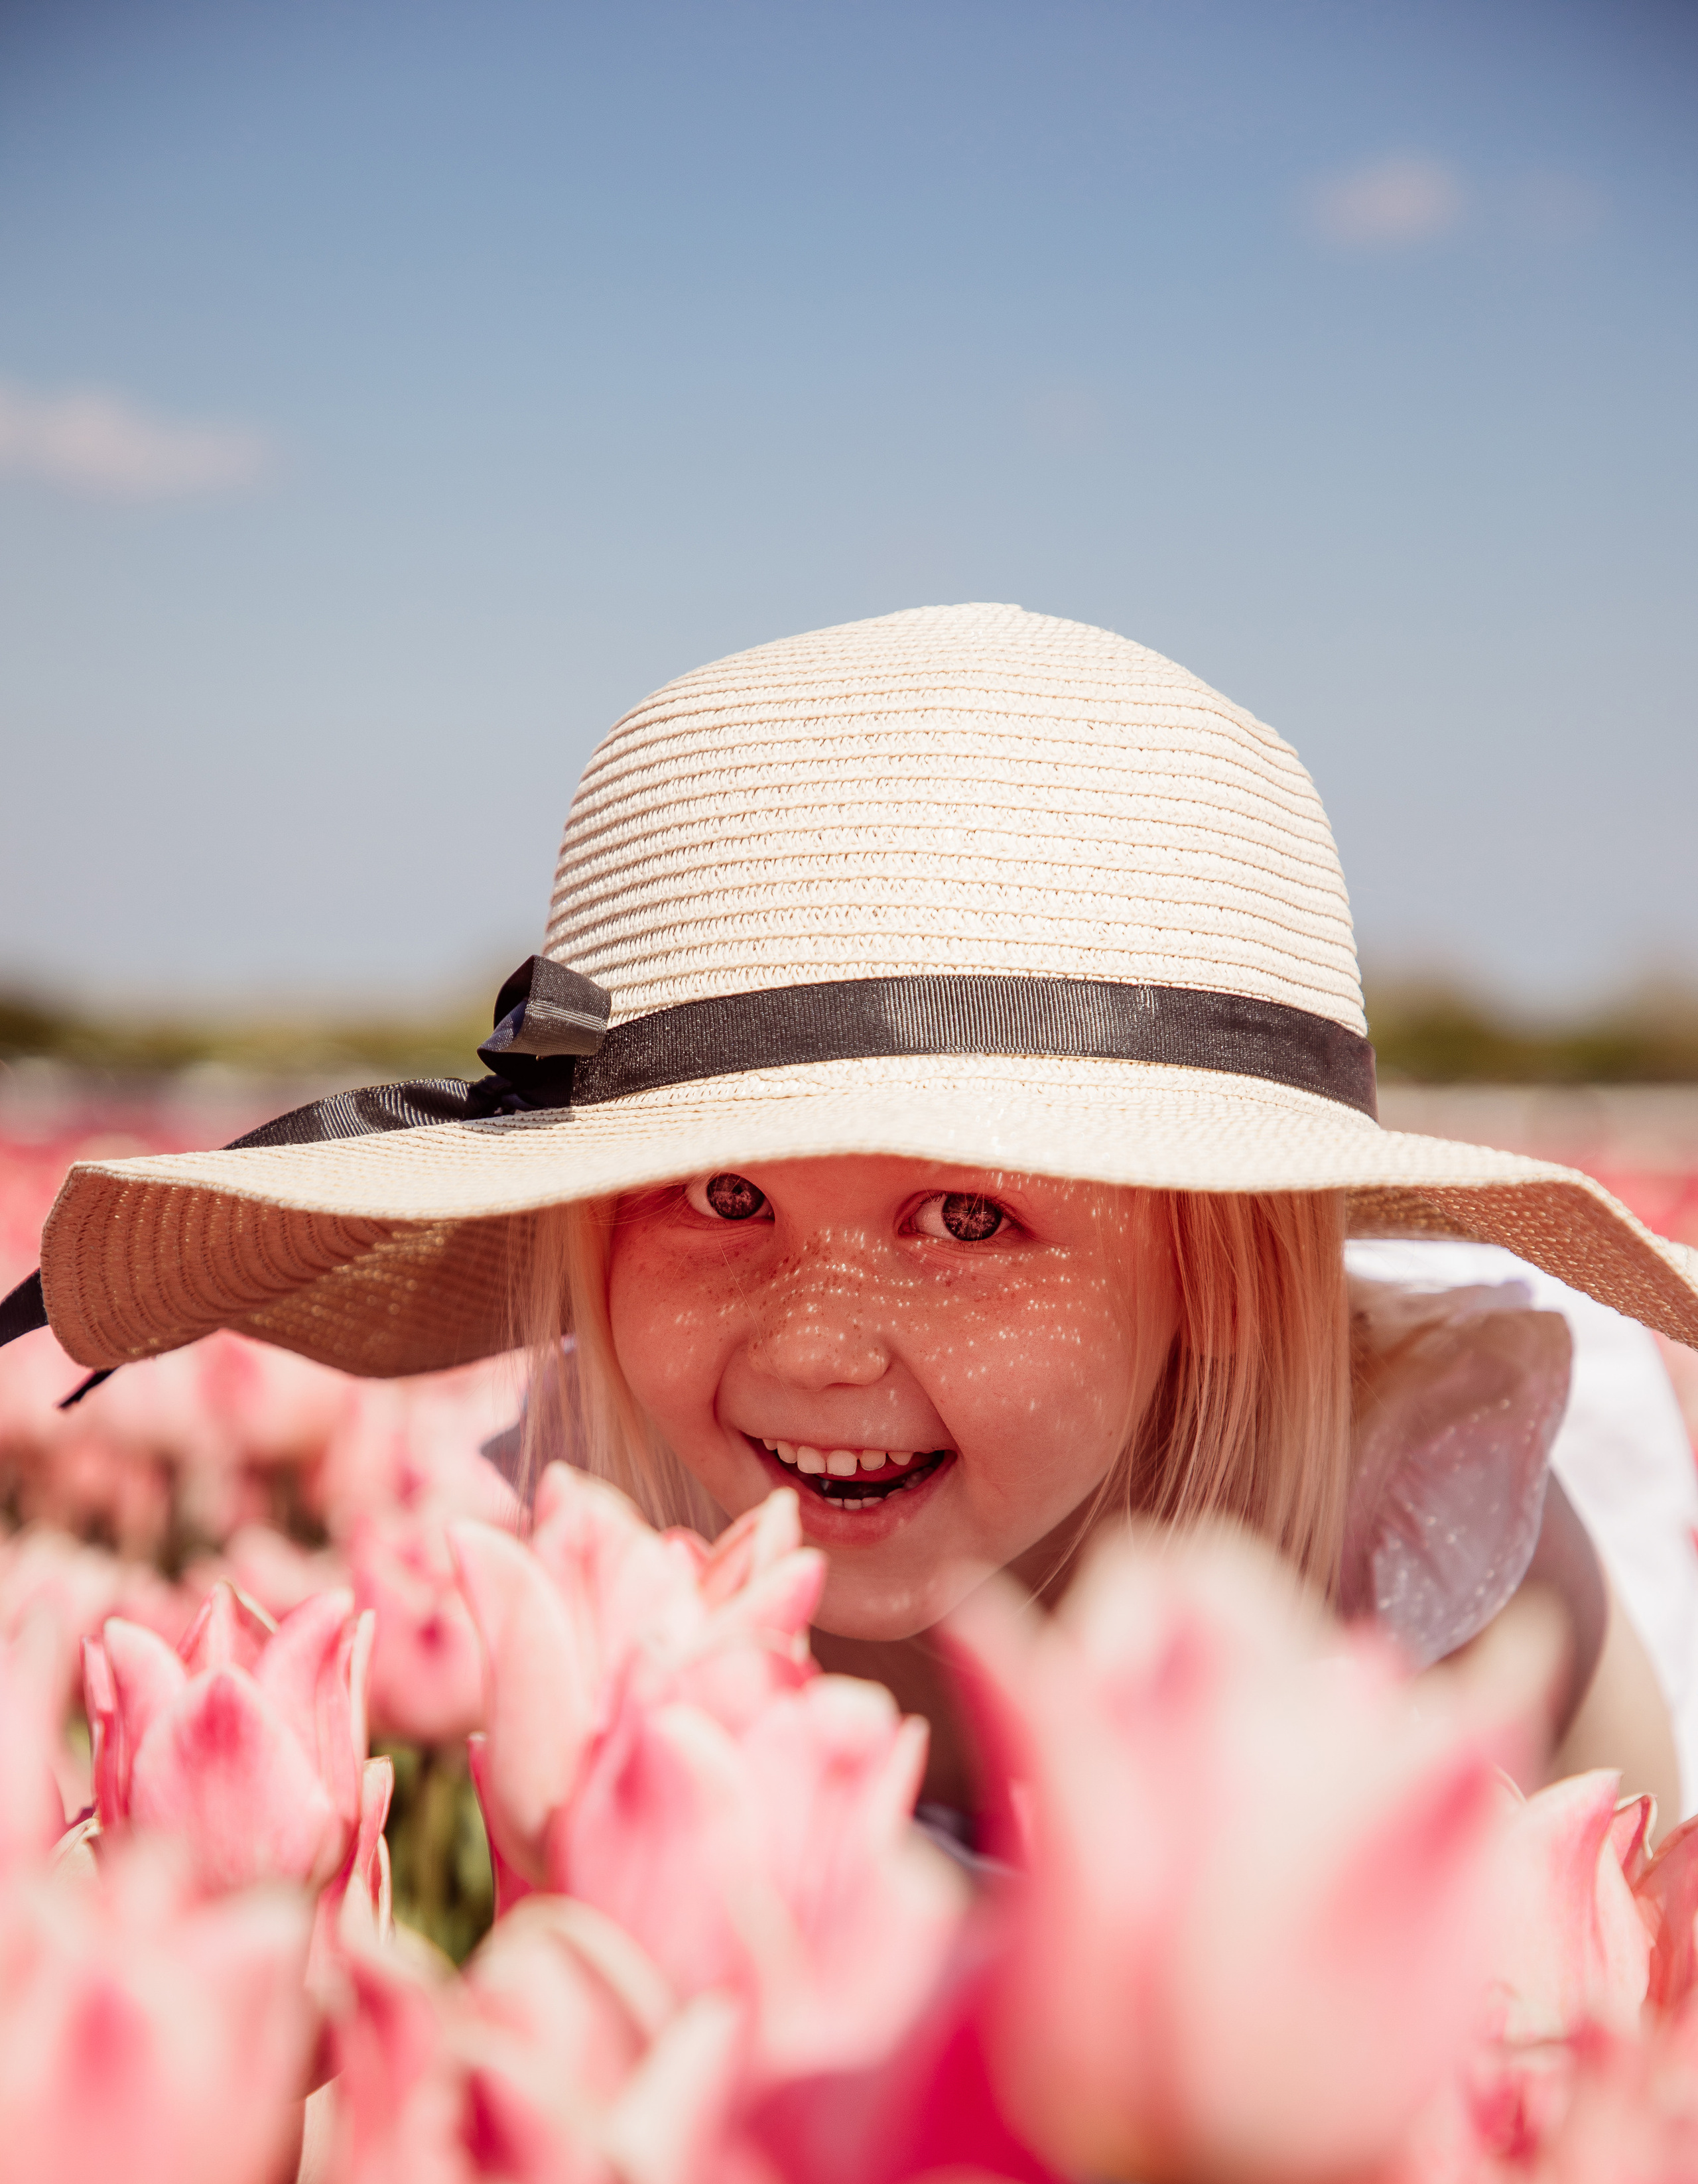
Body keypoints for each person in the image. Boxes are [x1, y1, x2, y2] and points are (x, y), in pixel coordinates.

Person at [9, 604, 1698, 1831]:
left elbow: (1607, 2040)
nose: (815, 1347)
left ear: (1217, 1264)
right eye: (723, 1194)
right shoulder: (601, 1552)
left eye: (963, 1219)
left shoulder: (1431, 1558)